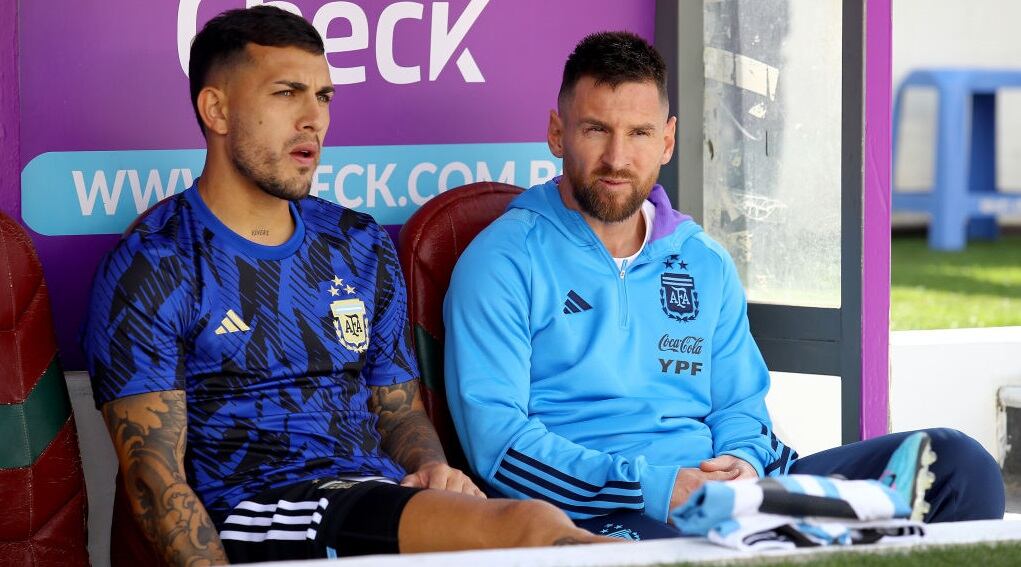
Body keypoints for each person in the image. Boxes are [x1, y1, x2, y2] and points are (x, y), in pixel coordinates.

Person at [81, 7, 608, 565]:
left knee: (532, 531)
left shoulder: (357, 241)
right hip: (261, 509)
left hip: (372, 497)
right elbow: (153, 482)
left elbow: (398, 410)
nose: (314, 118)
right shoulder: (155, 263)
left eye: (324, 96)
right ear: (217, 110)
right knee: (528, 529)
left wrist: (430, 467)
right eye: (287, 93)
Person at [443, 31, 1005, 539]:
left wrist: (745, 461)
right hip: (604, 512)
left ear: (667, 141)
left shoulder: (702, 260)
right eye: (596, 130)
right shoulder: (502, 260)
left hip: (732, 495)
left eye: (639, 133)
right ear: (557, 133)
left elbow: (739, 404)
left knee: (959, 465)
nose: (617, 158)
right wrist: (655, 487)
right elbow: (500, 446)